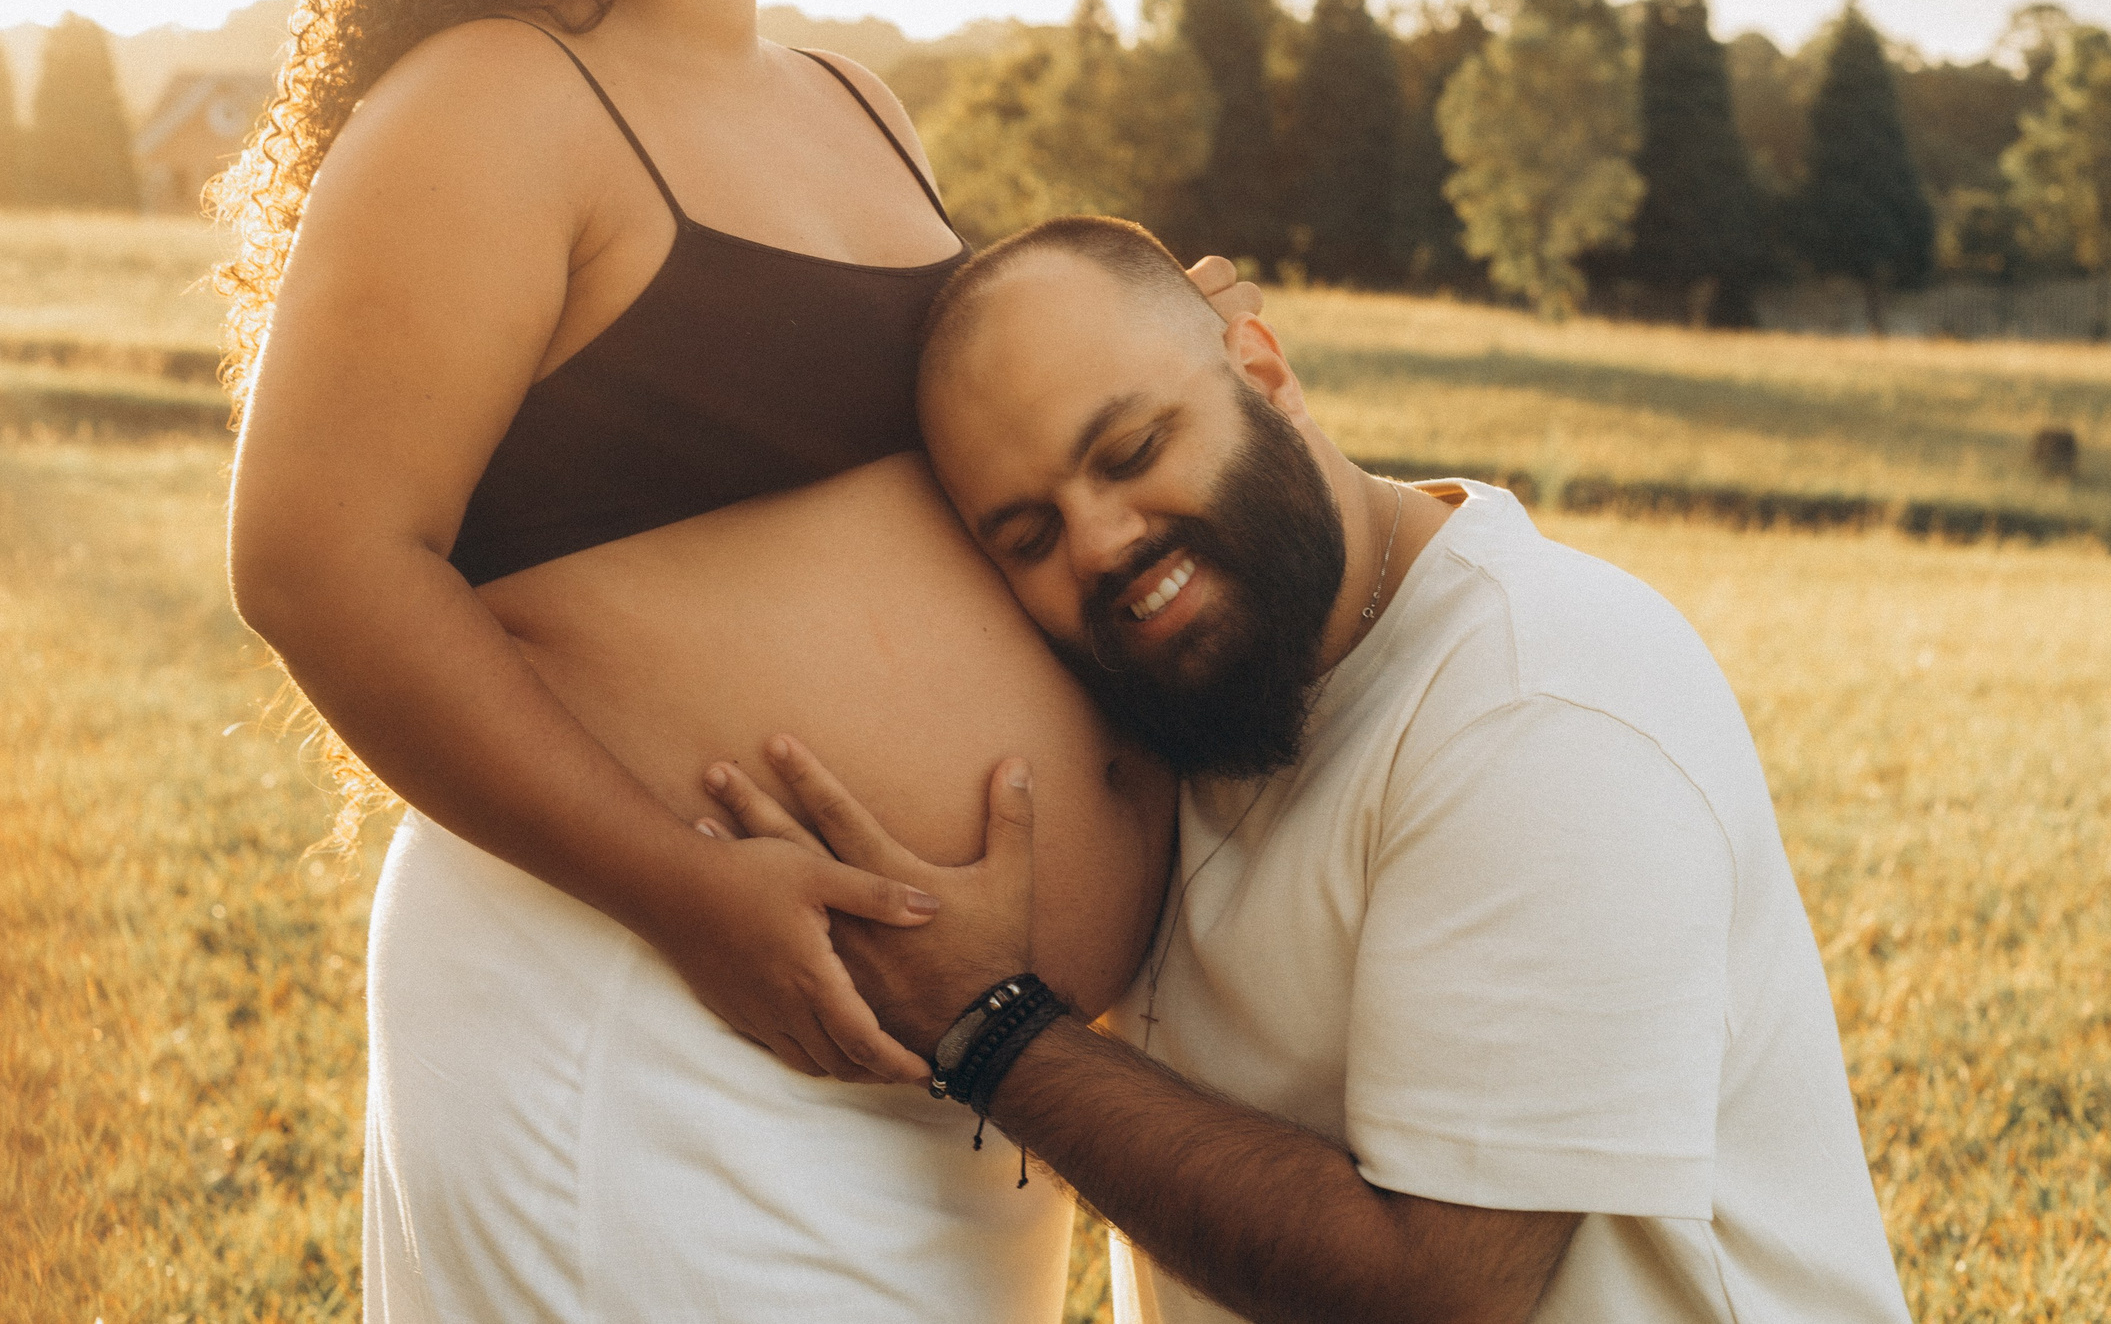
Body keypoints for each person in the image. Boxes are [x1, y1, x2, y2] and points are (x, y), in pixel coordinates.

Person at [218, 0, 1248, 1319]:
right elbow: (319, 560)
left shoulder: (857, 104)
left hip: (953, 1079)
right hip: (661, 1030)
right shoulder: (493, 101)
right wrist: (692, 896)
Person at [704, 217, 1915, 1324]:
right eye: (1028, 535)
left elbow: (1434, 1291)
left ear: (1265, 373)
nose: (1103, 543)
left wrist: (988, 1027)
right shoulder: (1203, 690)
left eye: (1130, 449)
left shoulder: (1540, 698)